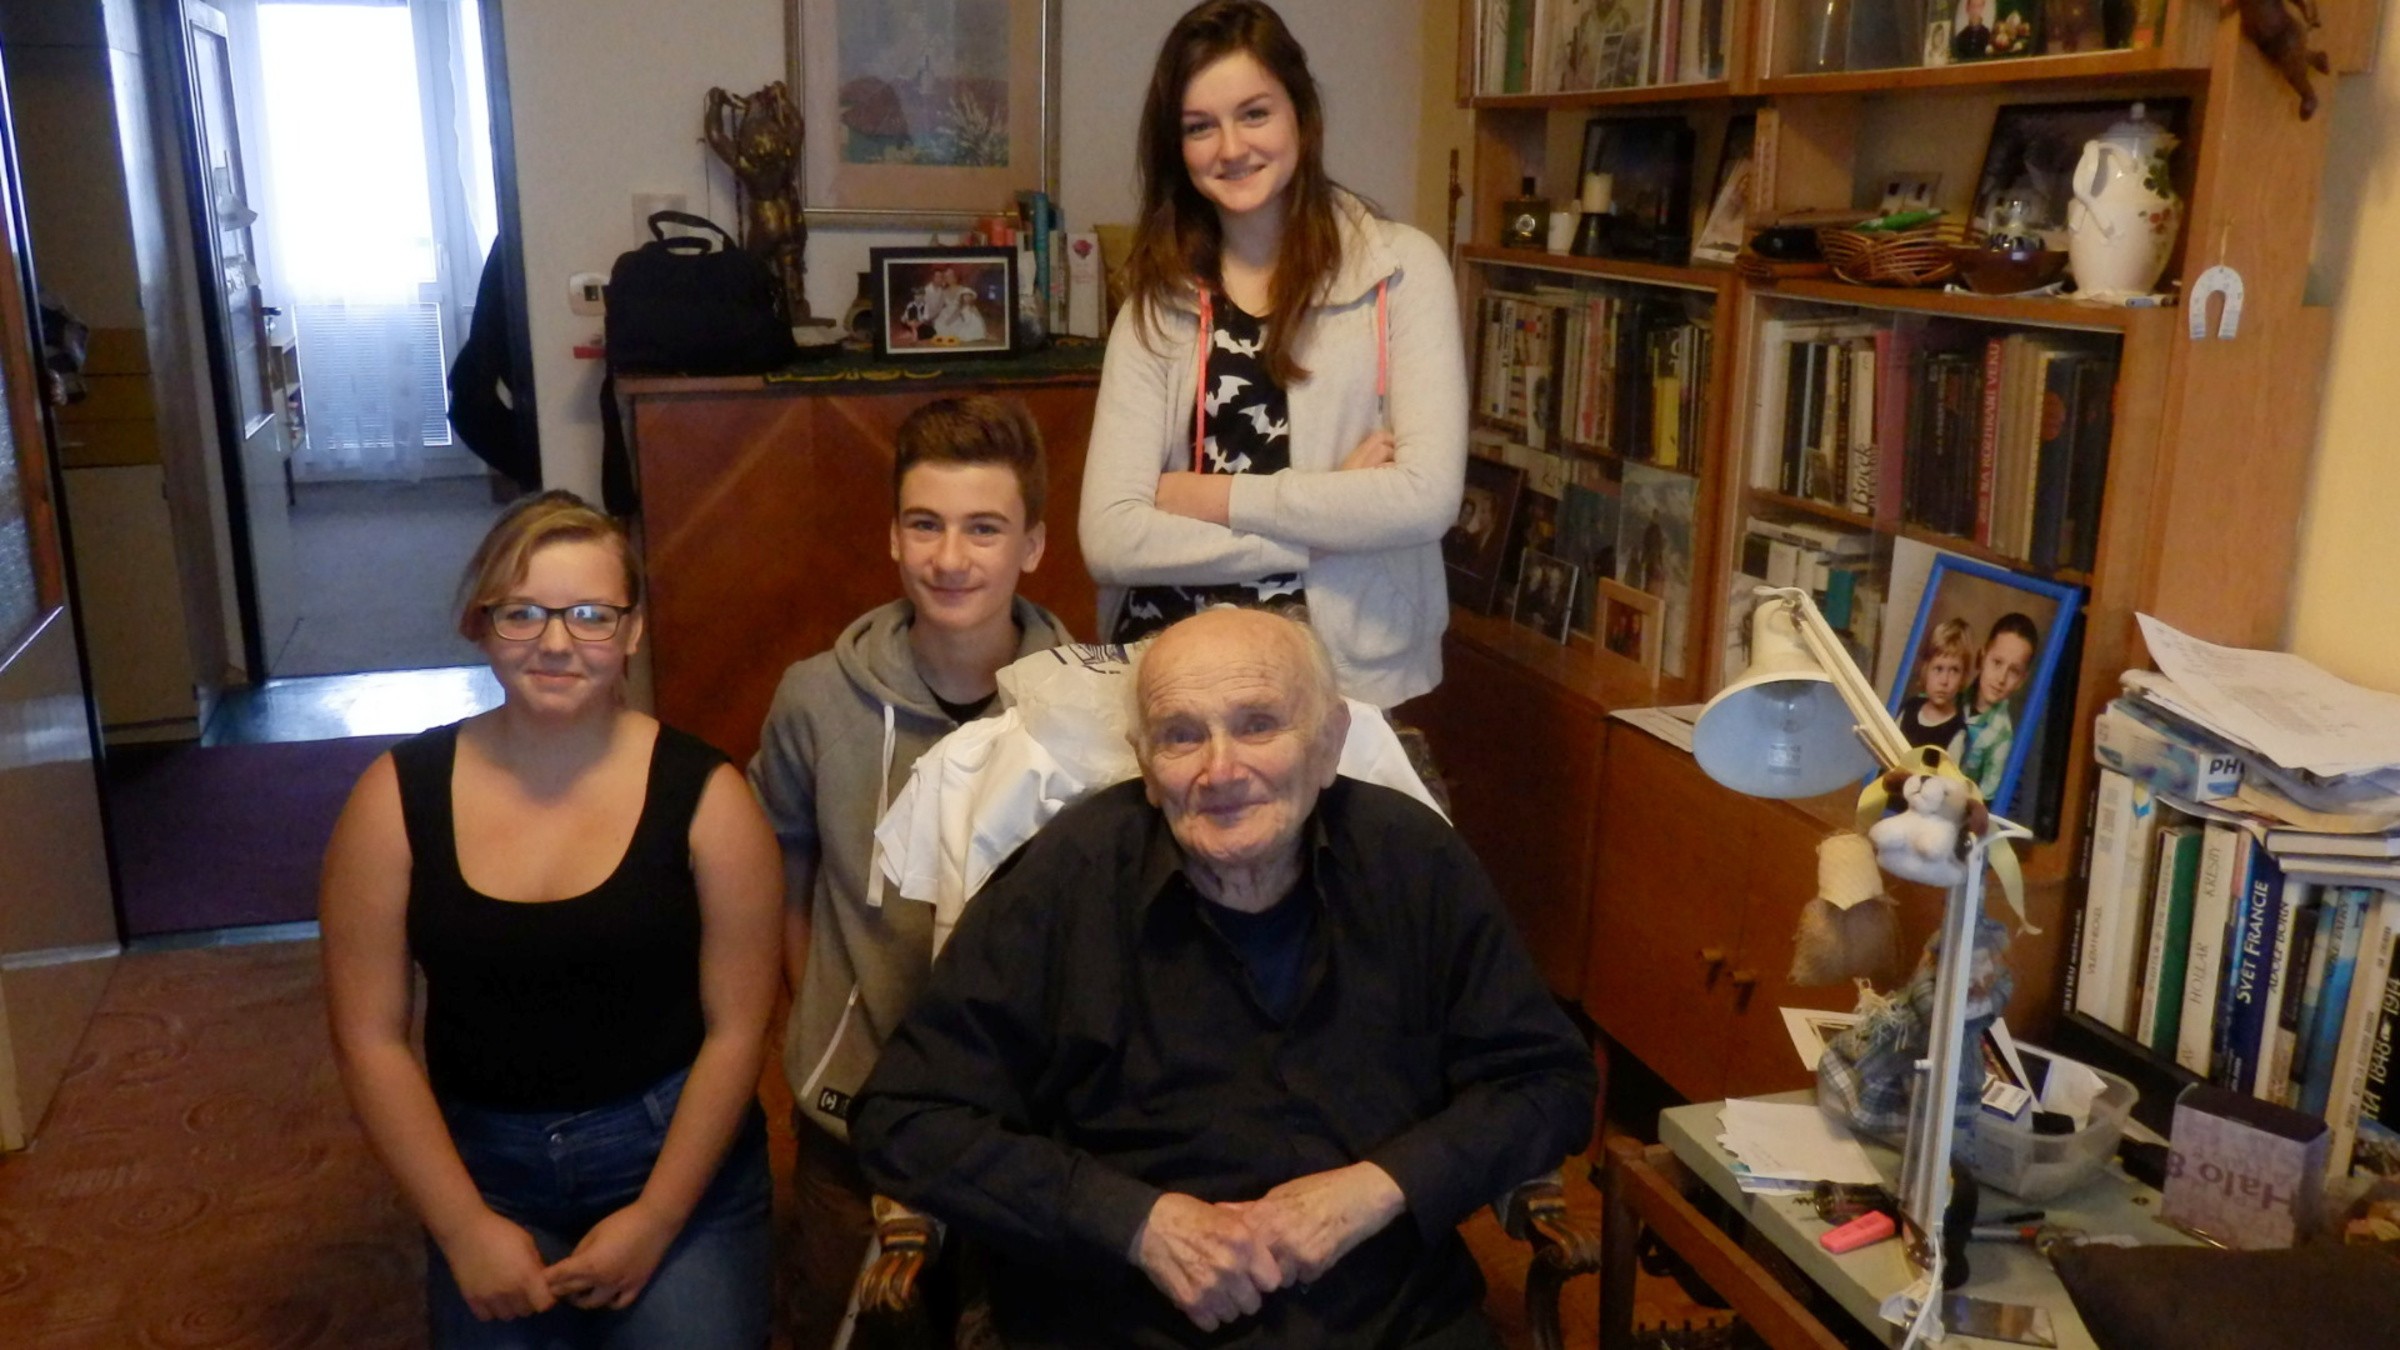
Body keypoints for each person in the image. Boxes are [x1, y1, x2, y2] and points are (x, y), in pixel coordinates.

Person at [852, 608, 1596, 1348]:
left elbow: (1547, 1080)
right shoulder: (1065, 881)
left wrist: (1379, 1187)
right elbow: (907, 1118)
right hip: (1125, 1319)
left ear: (1328, 741)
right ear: (1146, 766)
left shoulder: (1413, 862)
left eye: (1257, 725)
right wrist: (1135, 1224)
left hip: (1387, 1318)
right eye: (1181, 735)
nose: (1221, 771)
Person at [320, 491, 783, 1349]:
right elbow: (369, 1037)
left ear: (632, 631)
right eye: (523, 612)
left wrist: (657, 1217)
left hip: (673, 1159)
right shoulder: (393, 798)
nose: (557, 642)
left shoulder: (710, 797)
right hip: (483, 1169)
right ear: (481, 625)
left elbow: (739, 1030)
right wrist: (463, 1226)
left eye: (591, 615)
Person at [748, 395, 1074, 1346]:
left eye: (985, 529)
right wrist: (819, 1012)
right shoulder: (816, 699)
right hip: (853, 1110)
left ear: (1033, 545)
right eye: (925, 525)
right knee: (844, 1325)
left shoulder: (1088, 709)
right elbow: (784, 860)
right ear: (892, 535)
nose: (950, 557)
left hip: (1028, 1119)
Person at [1079, 0, 1469, 711]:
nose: (1231, 148)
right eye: (1200, 126)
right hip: (1171, 667)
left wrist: (1212, 497)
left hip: (1339, 676)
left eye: (1254, 113)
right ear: (1176, 145)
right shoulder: (1153, 302)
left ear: (1301, 114)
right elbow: (1110, 539)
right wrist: (1324, 530)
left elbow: (1425, 499)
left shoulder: (1402, 270)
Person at [1960, 611, 2039, 799]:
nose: (2001, 678)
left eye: (2014, 671)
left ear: (2021, 680)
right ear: (1982, 657)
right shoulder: (1953, 695)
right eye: (1997, 663)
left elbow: (1984, 801)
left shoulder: (2002, 737)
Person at [1897, 616, 1975, 757]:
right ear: (1925, 669)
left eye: (1954, 670)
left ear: (1963, 677)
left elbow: (1948, 772)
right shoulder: (1909, 709)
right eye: (1938, 669)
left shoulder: (1956, 732)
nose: (1944, 681)